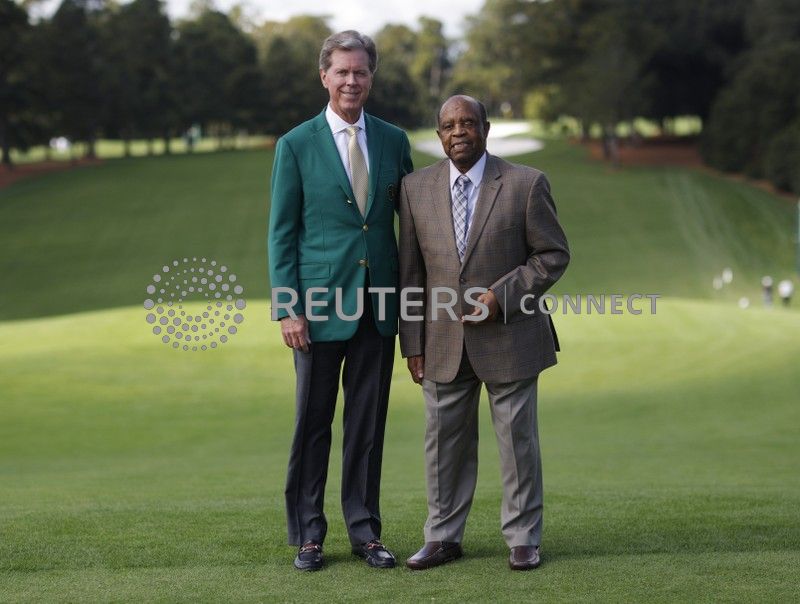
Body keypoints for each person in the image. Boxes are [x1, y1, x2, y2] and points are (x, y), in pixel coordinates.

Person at [398, 95, 569, 571]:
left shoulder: (526, 184)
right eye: (449, 125)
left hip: (511, 335)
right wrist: (411, 343)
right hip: (441, 341)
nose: (459, 132)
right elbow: (411, 274)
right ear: (440, 136)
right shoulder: (414, 189)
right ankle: (442, 536)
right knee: (442, 445)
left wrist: (501, 295)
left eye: (468, 123)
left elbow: (552, 255)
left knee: (517, 442)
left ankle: (523, 538)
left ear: (485, 129)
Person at [268, 30, 413, 571]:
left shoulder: (394, 140)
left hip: (378, 307)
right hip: (316, 310)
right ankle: (309, 534)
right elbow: (282, 233)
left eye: (361, 71)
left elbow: (411, 226)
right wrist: (288, 307)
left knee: (367, 427)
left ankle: (365, 532)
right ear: (324, 76)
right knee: (313, 424)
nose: (352, 80)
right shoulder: (295, 144)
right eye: (342, 71)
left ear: (371, 77)